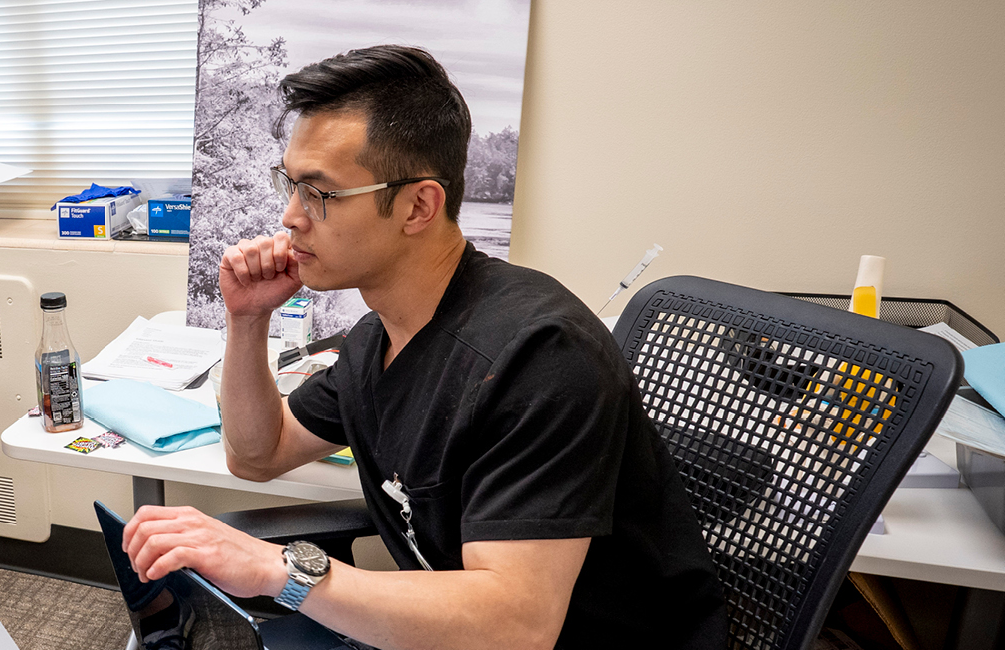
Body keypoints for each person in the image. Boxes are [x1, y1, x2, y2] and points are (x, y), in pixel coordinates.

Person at [121, 45, 729, 649]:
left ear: (418, 206)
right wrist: (247, 320)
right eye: (291, 185)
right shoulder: (380, 338)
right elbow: (257, 454)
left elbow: (517, 624)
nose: (290, 217)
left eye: (320, 193)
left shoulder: (539, 357)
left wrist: (280, 570)